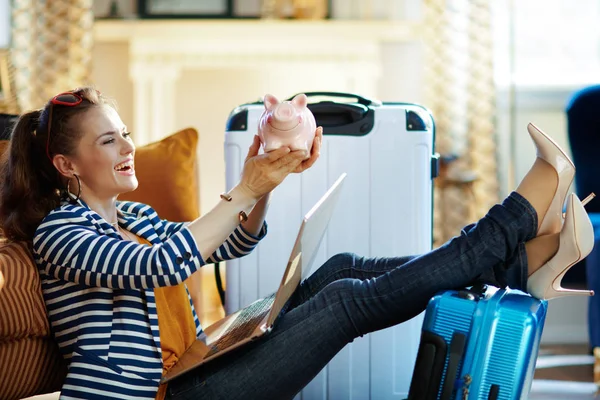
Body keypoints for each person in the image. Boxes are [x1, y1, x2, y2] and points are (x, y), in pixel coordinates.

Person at [0, 86, 594, 400]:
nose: (128, 147)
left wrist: (263, 181)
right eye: (108, 141)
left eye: (125, 134)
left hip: (195, 370)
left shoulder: (132, 213)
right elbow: (161, 265)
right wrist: (244, 187)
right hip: (167, 397)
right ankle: (510, 231)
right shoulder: (62, 233)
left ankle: (516, 262)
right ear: (65, 164)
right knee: (343, 306)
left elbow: (232, 244)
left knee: (339, 270)